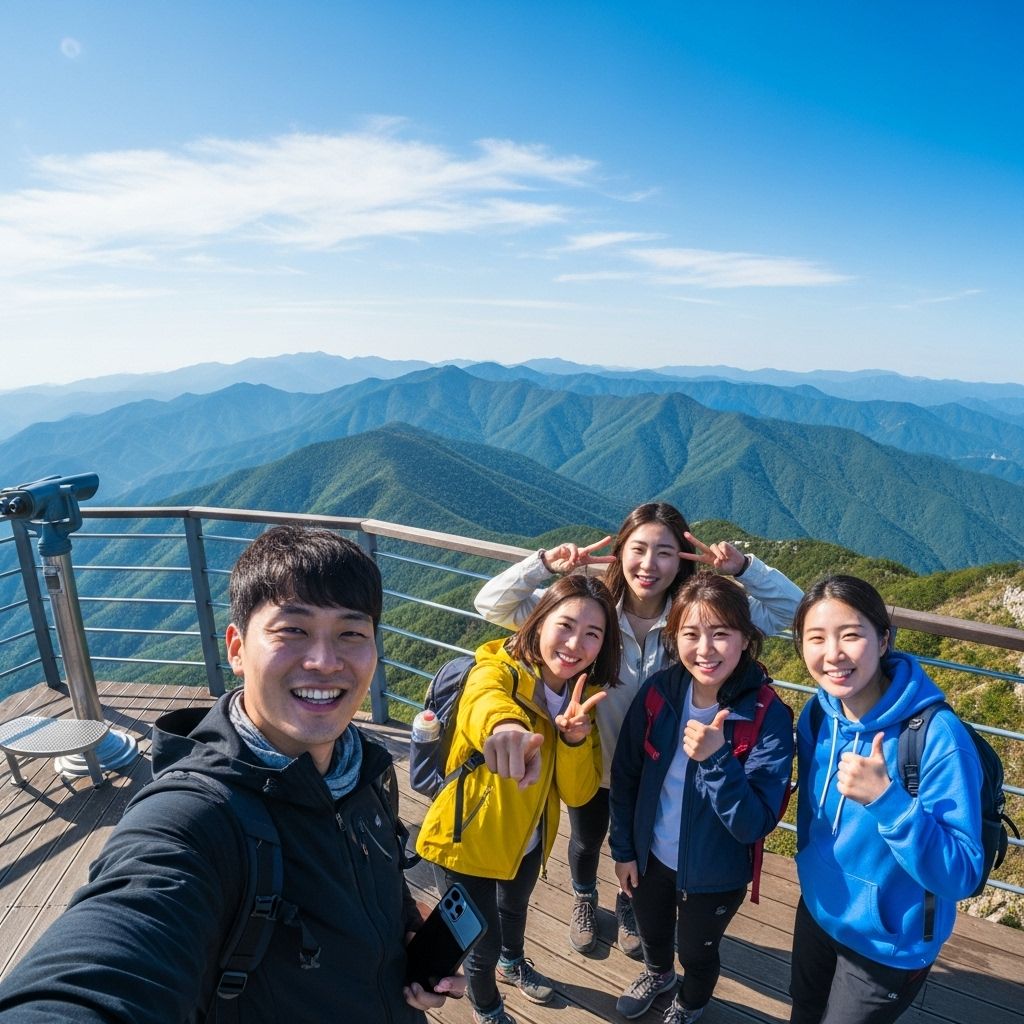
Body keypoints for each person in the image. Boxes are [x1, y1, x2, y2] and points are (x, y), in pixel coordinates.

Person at [0, 525, 464, 1023]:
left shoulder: (364, 768)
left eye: (352, 633)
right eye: (293, 630)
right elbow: (98, 973)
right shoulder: (193, 819)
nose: (325, 662)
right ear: (237, 649)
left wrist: (399, 930)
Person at [474, 501, 802, 957]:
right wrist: (544, 564)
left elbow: (795, 610)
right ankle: (584, 896)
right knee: (587, 840)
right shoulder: (593, 615)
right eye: (639, 549)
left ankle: (628, 903)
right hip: (589, 756)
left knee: (641, 850)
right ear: (619, 550)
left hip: (656, 771)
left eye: (665, 552)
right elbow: (491, 603)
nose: (649, 565)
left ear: (684, 558)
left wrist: (745, 568)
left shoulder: (694, 618)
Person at [417, 573, 622, 1024]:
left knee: (514, 911)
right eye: (565, 625)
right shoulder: (499, 669)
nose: (575, 644)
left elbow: (578, 792)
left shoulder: (580, 697)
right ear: (540, 620)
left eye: (593, 634)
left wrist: (571, 741)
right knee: (479, 941)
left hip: (527, 842)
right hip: (466, 838)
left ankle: (514, 963)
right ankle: (487, 1006)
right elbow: (482, 701)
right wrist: (505, 729)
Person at [789, 575, 984, 1024]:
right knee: (803, 1012)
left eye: (851, 635)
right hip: (820, 908)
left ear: (884, 639)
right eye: (816, 638)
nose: (833, 654)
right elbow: (813, 817)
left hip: (889, 945)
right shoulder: (818, 715)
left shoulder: (937, 739)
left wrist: (888, 801)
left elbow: (962, 873)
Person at [609, 572, 795, 1024]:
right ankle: (658, 974)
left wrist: (716, 761)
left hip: (716, 873)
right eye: (691, 634)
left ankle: (691, 1003)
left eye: (721, 634)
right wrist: (624, 850)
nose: (705, 649)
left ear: (747, 639)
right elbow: (627, 775)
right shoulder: (659, 694)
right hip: (651, 857)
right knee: (652, 931)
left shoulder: (766, 715)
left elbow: (753, 822)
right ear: (674, 638)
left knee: (697, 951)